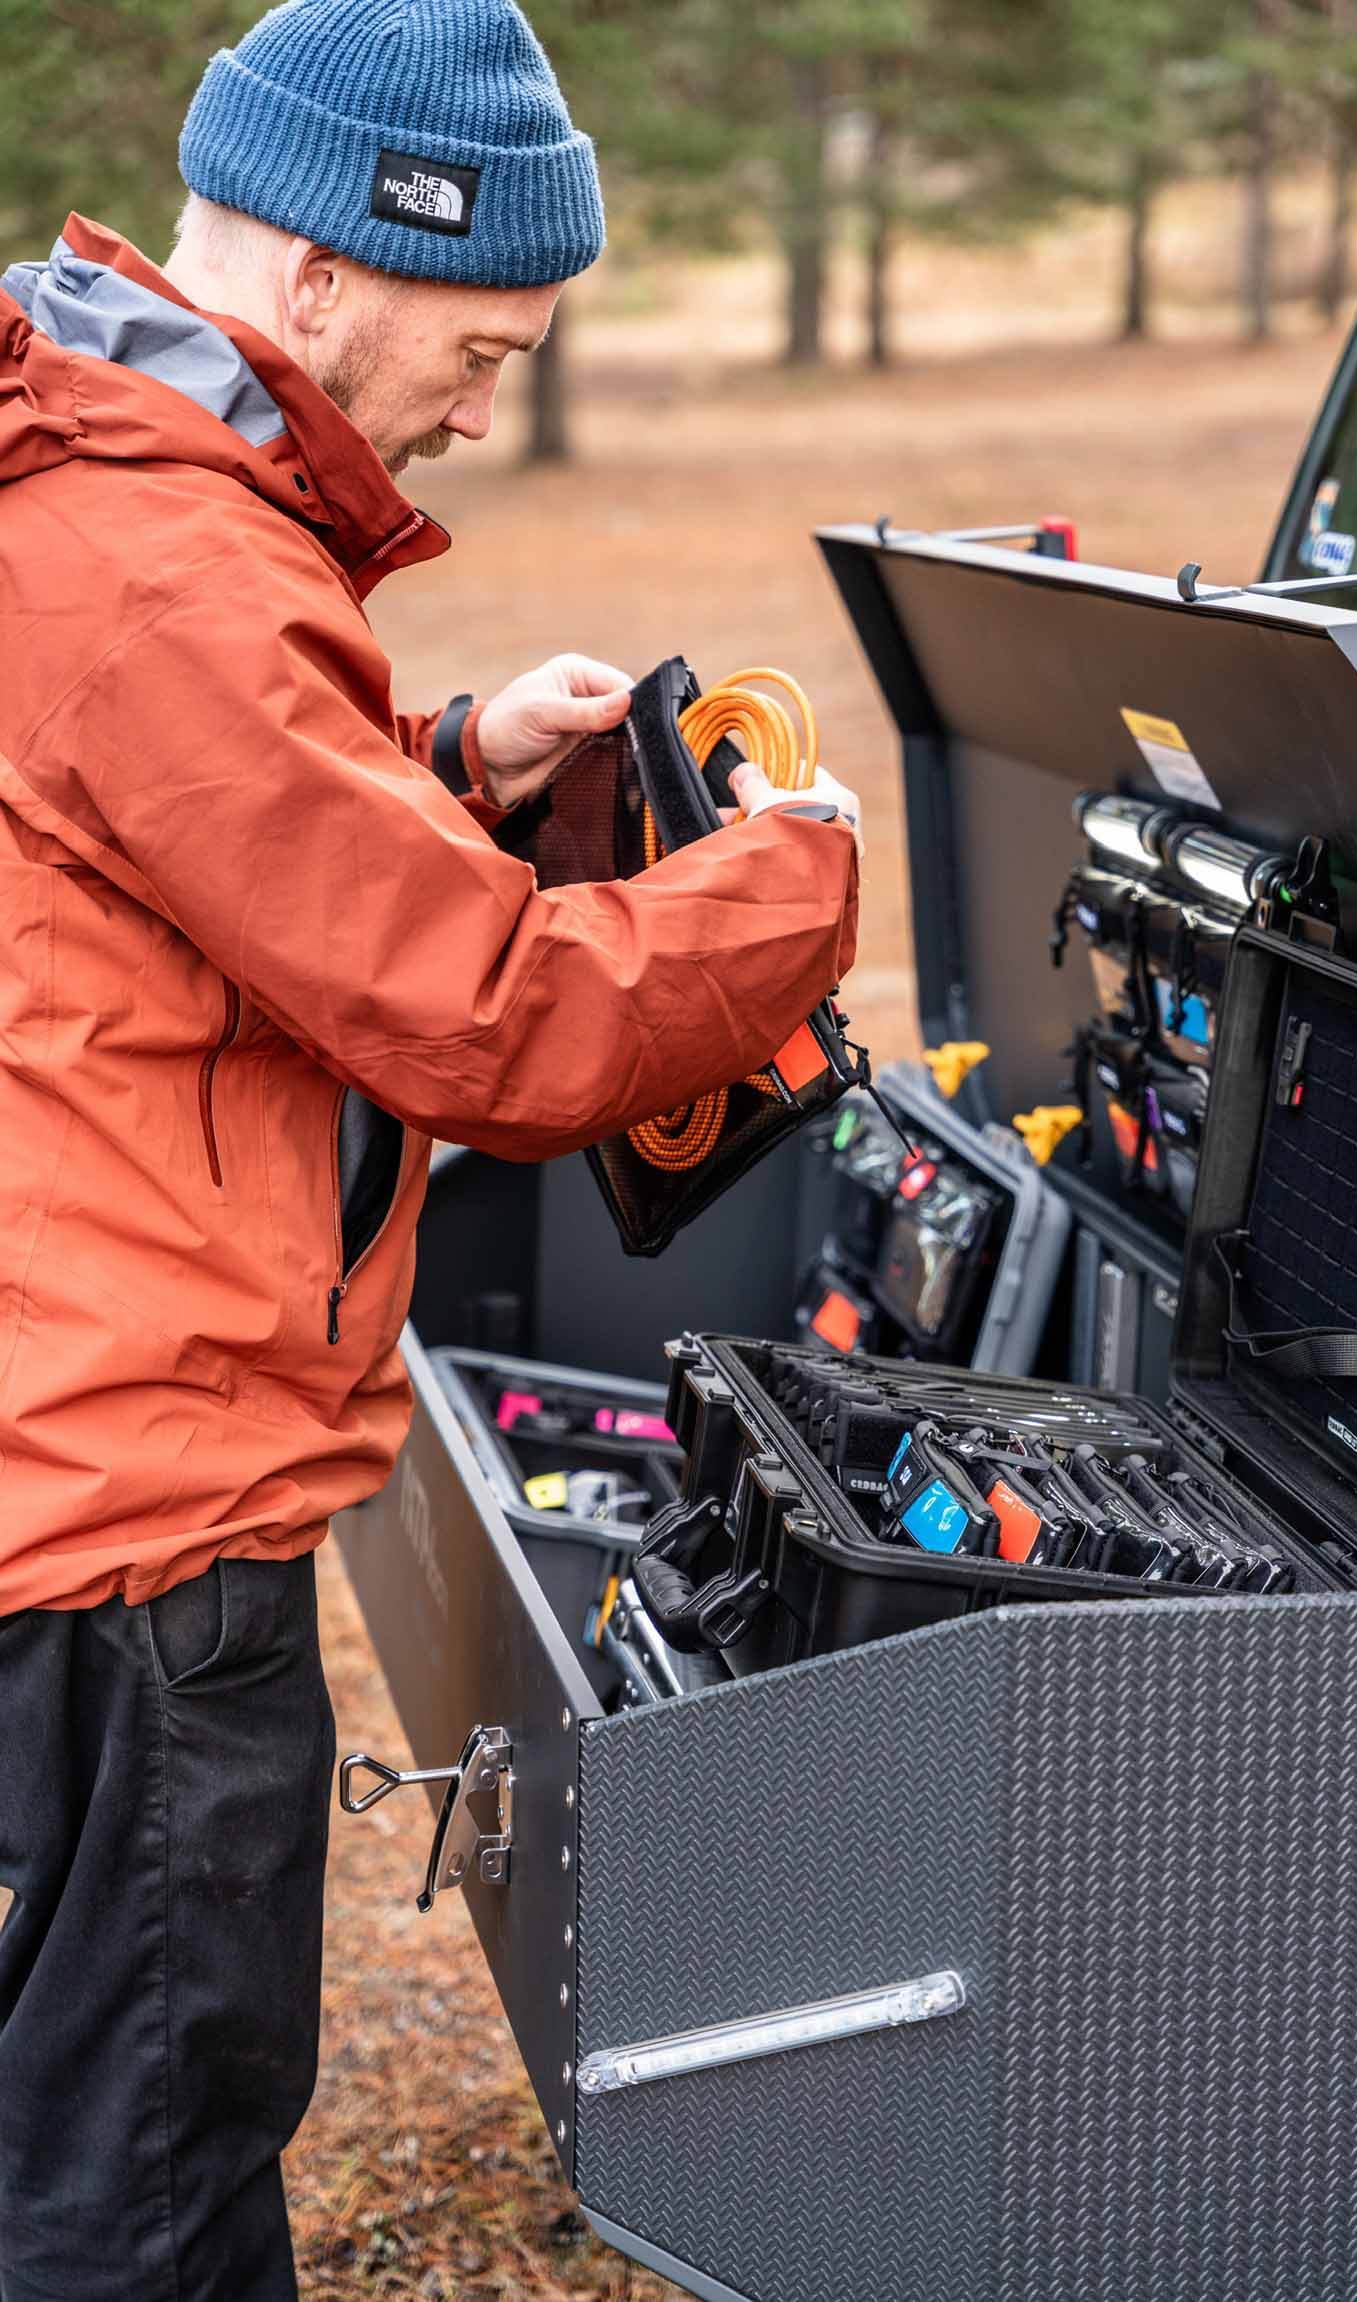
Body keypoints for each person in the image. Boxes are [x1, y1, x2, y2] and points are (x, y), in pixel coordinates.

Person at [0, 3, 861, 2295]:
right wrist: (797, 869)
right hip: (123, 1537)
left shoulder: (98, 489)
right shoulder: (164, 567)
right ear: (316, 280)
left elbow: (183, 837)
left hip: (60, 1462)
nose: (486, 407)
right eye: (478, 345)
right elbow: (493, 1017)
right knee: (144, 2180)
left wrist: (450, 750)